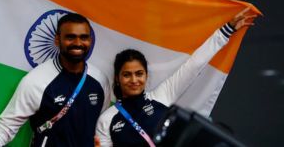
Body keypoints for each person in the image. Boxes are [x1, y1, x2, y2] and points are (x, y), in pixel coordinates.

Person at [95, 8, 256, 147]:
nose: (134, 80)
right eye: (126, 75)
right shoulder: (107, 119)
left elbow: (194, 65)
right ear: (117, 79)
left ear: (146, 75)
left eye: (139, 74)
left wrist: (226, 30)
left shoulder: (161, 95)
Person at [0, 13, 111, 147]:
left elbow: (102, 129)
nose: (78, 43)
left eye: (84, 37)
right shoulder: (36, 80)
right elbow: (6, 128)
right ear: (57, 40)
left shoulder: (100, 80)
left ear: (90, 40)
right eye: (70, 37)